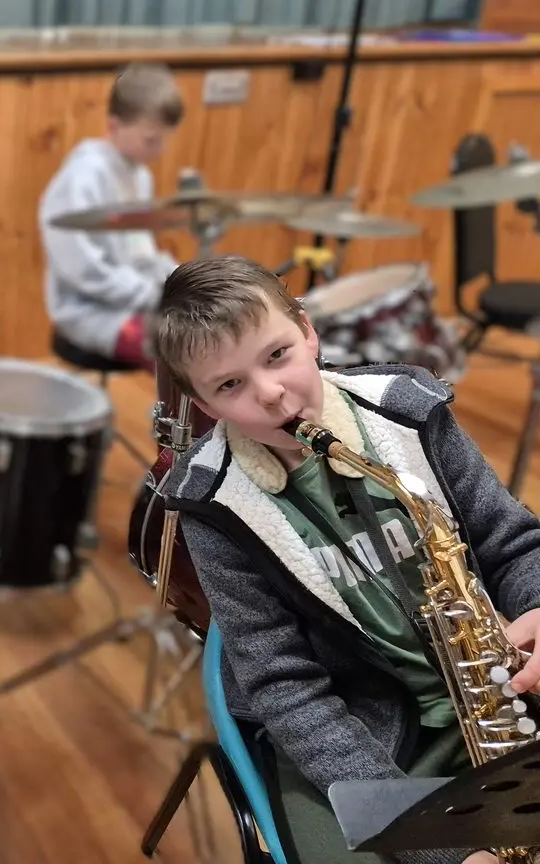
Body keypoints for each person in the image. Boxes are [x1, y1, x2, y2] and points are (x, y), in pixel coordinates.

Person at [148, 254, 540, 864]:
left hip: (499, 683)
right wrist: (437, 850)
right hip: (360, 731)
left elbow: (511, 543)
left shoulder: (409, 413)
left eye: (277, 355)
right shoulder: (211, 506)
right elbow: (286, 689)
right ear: (205, 405)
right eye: (230, 385)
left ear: (308, 332)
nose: (272, 394)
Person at [39, 61, 185, 371]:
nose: (160, 149)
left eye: (165, 139)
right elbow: (83, 270)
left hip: (135, 302)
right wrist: (151, 294)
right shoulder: (83, 177)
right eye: (150, 139)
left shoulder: (139, 175)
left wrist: (179, 283)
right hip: (90, 312)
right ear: (113, 125)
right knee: (184, 350)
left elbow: (140, 254)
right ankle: (173, 418)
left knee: (211, 335)